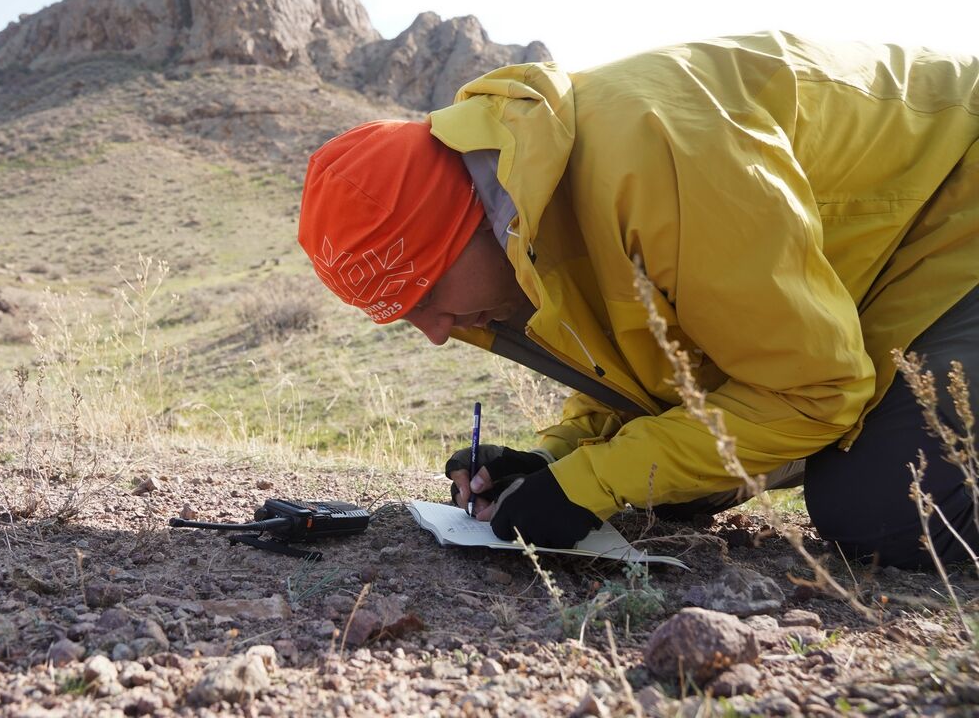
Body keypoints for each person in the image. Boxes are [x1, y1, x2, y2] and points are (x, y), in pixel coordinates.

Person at [298, 31, 979, 569]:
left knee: (889, 506)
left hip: (960, 206)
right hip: (889, 269)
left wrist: (596, 479)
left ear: (466, 223)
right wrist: (556, 460)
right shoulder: (529, 216)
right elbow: (656, 370)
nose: (436, 333)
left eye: (424, 296)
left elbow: (816, 392)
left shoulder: (655, 156)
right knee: (675, 485)